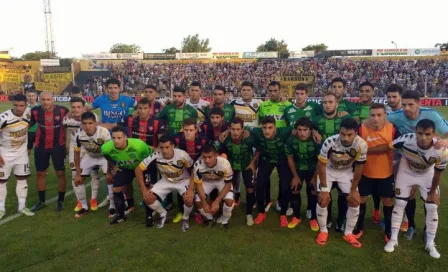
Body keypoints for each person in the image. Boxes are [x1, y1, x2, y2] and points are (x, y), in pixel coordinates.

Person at [386, 91, 448, 239]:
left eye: (411, 105)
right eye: (405, 104)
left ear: (419, 103)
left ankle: (428, 229)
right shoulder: (395, 116)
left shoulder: (431, 114)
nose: (407, 108)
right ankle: (410, 224)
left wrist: (445, 141)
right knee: (408, 194)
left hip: (427, 158)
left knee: (430, 199)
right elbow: (381, 123)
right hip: (406, 159)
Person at [384, 119, 448, 259]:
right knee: (400, 203)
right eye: (420, 133)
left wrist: (432, 193)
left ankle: (430, 244)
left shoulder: (442, 150)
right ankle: (393, 239)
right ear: (415, 132)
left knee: (432, 207)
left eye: (427, 134)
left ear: (434, 134)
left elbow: (438, 174)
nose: (423, 137)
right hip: (406, 171)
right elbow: (389, 147)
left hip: (427, 174)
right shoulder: (406, 140)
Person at [316, 118, 367, 248]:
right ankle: (323, 231)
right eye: (343, 134)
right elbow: (321, 165)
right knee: (323, 200)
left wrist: (354, 190)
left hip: (346, 172)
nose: (345, 138)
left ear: (356, 133)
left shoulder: (361, 145)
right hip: (328, 171)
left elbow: (359, 168)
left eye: (349, 135)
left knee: (355, 201)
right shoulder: (330, 142)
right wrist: (323, 188)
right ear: (339, 131)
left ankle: (348, 233)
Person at [355, 103, 400, 241]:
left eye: (379, 115)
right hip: (366, 172)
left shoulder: (392, 129)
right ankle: (359, 226)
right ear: (369, 115)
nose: (375, 118)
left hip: (386, 173)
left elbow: (398, 145)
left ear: (385, 115)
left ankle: (388, 230)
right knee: (361, 199)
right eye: (373, 115)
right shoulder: (361, 129)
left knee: (387, 200)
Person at [135, 135, 194, 232]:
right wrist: (144, 190)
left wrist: (191, 189)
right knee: (147, 198)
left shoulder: (182, 155)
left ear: (173, 146)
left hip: (183, 180)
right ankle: (163, 214)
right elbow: (138, 169)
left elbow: (194, 171)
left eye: (167, 147)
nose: (164, 150)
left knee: (189, 199)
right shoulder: (156, 155)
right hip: (166, 181)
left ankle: (185, 217)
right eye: (162, 147)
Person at [117, 98, 161, 217]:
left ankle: (152, 207)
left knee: (149, 184)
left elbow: (161, 142)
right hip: (131, 156)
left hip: (149, 158)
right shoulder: (130, 119)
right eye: (140, 108)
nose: (142, 111)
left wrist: (155, 149)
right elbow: (117, 128)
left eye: (145, 108)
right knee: (126, 182)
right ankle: (130, 205)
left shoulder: (157, 122)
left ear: (150, 109)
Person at [314, 93, 351, 231]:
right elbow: (307, 126)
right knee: (325, 194)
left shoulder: (344, 119)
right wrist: (313, 130)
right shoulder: (317, 120)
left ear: (337, 104)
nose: (327, 105)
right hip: (324, 164)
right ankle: (328, 219)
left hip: (343, 165)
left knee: (344, 195)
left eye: (330, 102)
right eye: (325, 102)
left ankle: (341, 220)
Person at [101, 126, 153, 224]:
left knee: (145, 189)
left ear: (126, 137)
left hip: (142, 167)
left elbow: (150, 156)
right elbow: (107, 157)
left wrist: (147, 172)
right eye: (114, 138)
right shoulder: (106, 148)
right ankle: (121, 215)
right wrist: (111, 169)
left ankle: (149, 214)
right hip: (125, 167)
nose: (116, 141)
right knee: (116, 188)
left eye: (119, 138)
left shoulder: (139, 145)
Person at [29, 92, 69, 212]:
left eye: (48, 99)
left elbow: (71, 123)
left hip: (58, 146)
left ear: (53, 100)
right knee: (40, 173)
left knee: (60, 173)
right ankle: (41, 201)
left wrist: (67, 143)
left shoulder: (63, 110)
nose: (46, 102)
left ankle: (60, 201)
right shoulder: (35, 111)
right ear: (39, 100)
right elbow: (27, 126)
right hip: (41, 146)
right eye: (43, 100)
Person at [250, 116, 293, 226]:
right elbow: (244, 127)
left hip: (282, 160)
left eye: (270, 127)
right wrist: (226, 131)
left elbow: (299, 126)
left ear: (275, 127)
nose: (267, 131)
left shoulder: (283, 131)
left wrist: (315, 132)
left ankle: (283, 213)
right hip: (266, 159)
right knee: (259, 185)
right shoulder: (257, 131)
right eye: (264, 128)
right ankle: (261, 212)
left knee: (285, 186)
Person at [216, 118, 259, 225]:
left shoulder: (249, 138)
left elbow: (259, 149)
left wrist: (253, 162)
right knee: (227, 188)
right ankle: (225, 213)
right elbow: (219, 149)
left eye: (238, 129)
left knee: (250, 188)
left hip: (246, 165)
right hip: (231, 166)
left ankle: (249, 214)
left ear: (242, 129)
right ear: (229, 128)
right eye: (233, 129)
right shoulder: (225, 138)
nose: (235, 132)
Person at [63, 97, 102, 212]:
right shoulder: (67, 119)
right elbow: (65, 130)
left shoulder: (93, 117)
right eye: (73, 107)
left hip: (90, 147)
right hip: (74, 148)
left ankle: (93, 199)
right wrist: (66, 142)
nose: (76, 109)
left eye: (78, 107)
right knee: (75, 174)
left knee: (94, 173)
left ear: (83, 107)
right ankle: (81, 201)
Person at [0, 94, 34, 219]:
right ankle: (1, 209)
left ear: (26, 105)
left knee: (22, 179)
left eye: (21, 106)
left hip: (21, 154)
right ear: (12, 104)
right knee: (2, 181)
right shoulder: (4, 118)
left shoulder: (28, 113)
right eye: (16, 105)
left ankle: (22, 207)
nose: (19, 108)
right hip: (5, 154)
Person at [73, 112, 111, 218]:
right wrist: (77, 173)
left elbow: (110, 153)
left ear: (96, 123)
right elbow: (76, 155)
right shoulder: (79, 135)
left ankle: (112, 207)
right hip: (90, 157)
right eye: (84, 123)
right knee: (78, 180)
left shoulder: (104, 132)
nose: (87, 126)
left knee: (110, 179)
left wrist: (108, 172)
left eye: (90, 123)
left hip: (104, 157)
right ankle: (84, 207)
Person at [285, 117, 320, 230]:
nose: (302, 133)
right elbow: (290, 159)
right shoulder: (291, 140)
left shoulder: (316, 141)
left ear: (310, 130)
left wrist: (315, 177)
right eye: (299, 130)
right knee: (294, 188)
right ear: (296, 130)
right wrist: (295, 176)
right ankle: (296, 217)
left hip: (312, 169)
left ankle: (313, 218)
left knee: (314, 191)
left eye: (305, 130)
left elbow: (320, 161)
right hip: (298, 169)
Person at [173, 118, 210, 224]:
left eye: (190, 130)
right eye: (186, 130)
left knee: (201, 189)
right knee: (181, 188)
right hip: (185, 168)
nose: (188, 133)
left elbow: (207, 153)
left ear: (196, 130)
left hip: (200, 167)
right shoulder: (178, 138)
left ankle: (200, 211)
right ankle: (181, 211)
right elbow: (168, 145)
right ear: (182, 130)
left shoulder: (204, 139)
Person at [194, 144, 234, 229]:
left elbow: (228, 184)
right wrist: (204, 202)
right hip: (207, 182)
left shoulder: (225, 164)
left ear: (216, 155)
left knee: (229, 201)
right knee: (198, 201)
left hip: (222, 181)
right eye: (204, 157)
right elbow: (199, 185)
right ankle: (210, 218)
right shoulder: (198, 165)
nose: (207, 160)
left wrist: (217, 200)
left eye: (210, 157)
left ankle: (225, 220)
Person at [26, 89, 39, 155]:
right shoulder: (24, 107)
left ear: (36, 96)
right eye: (29, 96)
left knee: (40, 149)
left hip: (39, 131)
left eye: (32, 96)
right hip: (28, 131)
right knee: (28, 149)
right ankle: (26, 163)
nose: (31, 97)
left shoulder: (40, 106)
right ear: (26, 97)